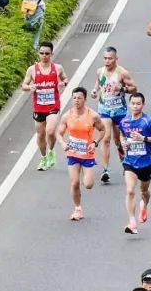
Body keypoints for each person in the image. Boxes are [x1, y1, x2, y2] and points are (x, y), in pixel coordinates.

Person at [117, 91, 151, 235]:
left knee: (144, 191)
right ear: (129, 104)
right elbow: (121, 134)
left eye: (138, 104)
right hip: (130, 162)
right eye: (133, 103)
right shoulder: (124, 121)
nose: (135, 106)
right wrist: (123, 142)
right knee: (130, 190)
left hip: (146, 163)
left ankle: (144, 205)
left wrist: (144, 138)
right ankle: (132, 222)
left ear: (143, 105)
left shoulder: (148, 121)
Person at [56, 86, 102, 221]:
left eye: (79, 98)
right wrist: (63, 143)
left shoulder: (93, 115)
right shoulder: (67, 116)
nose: (76, 100)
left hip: (87, 155)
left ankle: (86, 173)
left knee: (88, 185)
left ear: (85, 99)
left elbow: (103, 130)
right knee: (74, 183)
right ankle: (77, 209)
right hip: (73, 154)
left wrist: (95, 142)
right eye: (74, 98)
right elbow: (59, 133)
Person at [20, 42, 68, 171]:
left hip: (53, 105)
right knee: (40, 134)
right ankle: (43, 157)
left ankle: (51, 151)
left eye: (47, 53)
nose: (44, 56)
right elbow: (24, 85)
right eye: (42, 53)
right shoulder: (32, 69)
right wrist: (29, 87)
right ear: (38, 54)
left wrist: (63, 83)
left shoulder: (57, 68)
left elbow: (65, 79)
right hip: (39, 107)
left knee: (50, 131)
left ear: (52, 54)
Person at [92, 47, 134, 186]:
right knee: (106, 139)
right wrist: (94, 90)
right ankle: (105, 171)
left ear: (116, 59)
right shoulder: (100, 71)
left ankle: (122, 153)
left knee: (119, 141)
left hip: (119, 111)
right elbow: (99, 82)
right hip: (104, 109)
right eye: (105, 58)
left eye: (110, 58)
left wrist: (122, 88)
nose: (107, 61)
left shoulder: (122, 73)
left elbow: (134, 88)